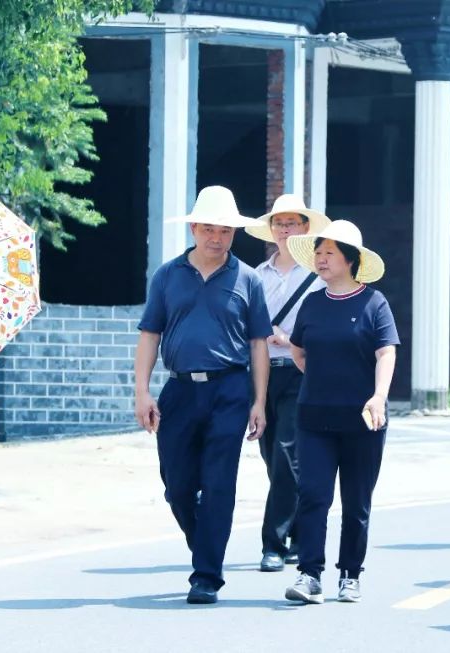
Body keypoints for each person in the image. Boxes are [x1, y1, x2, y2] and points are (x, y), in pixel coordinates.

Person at [133, 186, 272, 605]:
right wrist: (142, 392)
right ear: (194, 228)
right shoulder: (168, 275)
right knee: (177, 486)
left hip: (229, 390)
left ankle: (206, 575)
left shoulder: (248, 279)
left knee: (219, 484)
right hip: (178, 390)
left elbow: (259, 344)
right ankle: (205, 546)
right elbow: (149, 334)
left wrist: (259, 401)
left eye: (225, 231)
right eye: (209, 229)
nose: (217, 237)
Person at [280, 220, 398, 605]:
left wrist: (379, 395)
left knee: (356, 502)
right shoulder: (312, 303)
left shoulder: (374, 303)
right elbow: (298, 351)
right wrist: (320, 378)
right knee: (313, 495)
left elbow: (386, 352)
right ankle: (309, 575)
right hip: (314, 417)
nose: (321, 258)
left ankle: (350, 574)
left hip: (363, 420)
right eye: (318, 252)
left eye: (329, 252)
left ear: (351, 260)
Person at [244, 195, 329, 572]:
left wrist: (289, 339)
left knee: (286, 453)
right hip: (263, 372)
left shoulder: (317, 277)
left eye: (292, 222)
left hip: (301, 371)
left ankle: (273, 544)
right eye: (279, 223)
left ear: (305, 229)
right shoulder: (256, 276)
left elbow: (325, 326)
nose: (285, 229)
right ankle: (295, 529)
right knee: (271, 457)